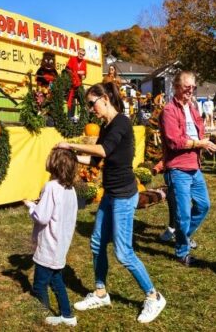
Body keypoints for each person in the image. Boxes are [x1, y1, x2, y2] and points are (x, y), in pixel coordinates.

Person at [60, 81, 166, 324]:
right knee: (97, 243)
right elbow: (97, 162)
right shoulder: (106, 126)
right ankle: (100, 292)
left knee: (123, 252)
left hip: (124, 196)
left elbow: (104, 151)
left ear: (105, 98)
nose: (90, 109)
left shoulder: (121, 123)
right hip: (110, 194)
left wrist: (70, 144)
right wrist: (72, 156)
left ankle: (154, 296)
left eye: (91, 103)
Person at [159, 71, 215, 266]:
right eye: (186, 87)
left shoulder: (193, 109)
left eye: (193, 87)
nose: (190, 91)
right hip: (178, 168)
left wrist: (205, 145)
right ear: (176, 87)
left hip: (194, 167)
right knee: (183, 214)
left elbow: (198, 132)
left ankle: (183, 236)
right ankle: (182, 250)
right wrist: (200, 144)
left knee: (203, 205)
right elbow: (174, 142)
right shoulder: (169, 111)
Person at [24, 148, 79, 327]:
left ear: (54, 164)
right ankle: (67, 315)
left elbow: (42, 217)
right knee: (56, 281)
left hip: (49, 246)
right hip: (61, 245)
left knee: (39, 285)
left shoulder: (50, 187)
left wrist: (31, 206)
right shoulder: (70, 189)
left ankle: (41, 314)